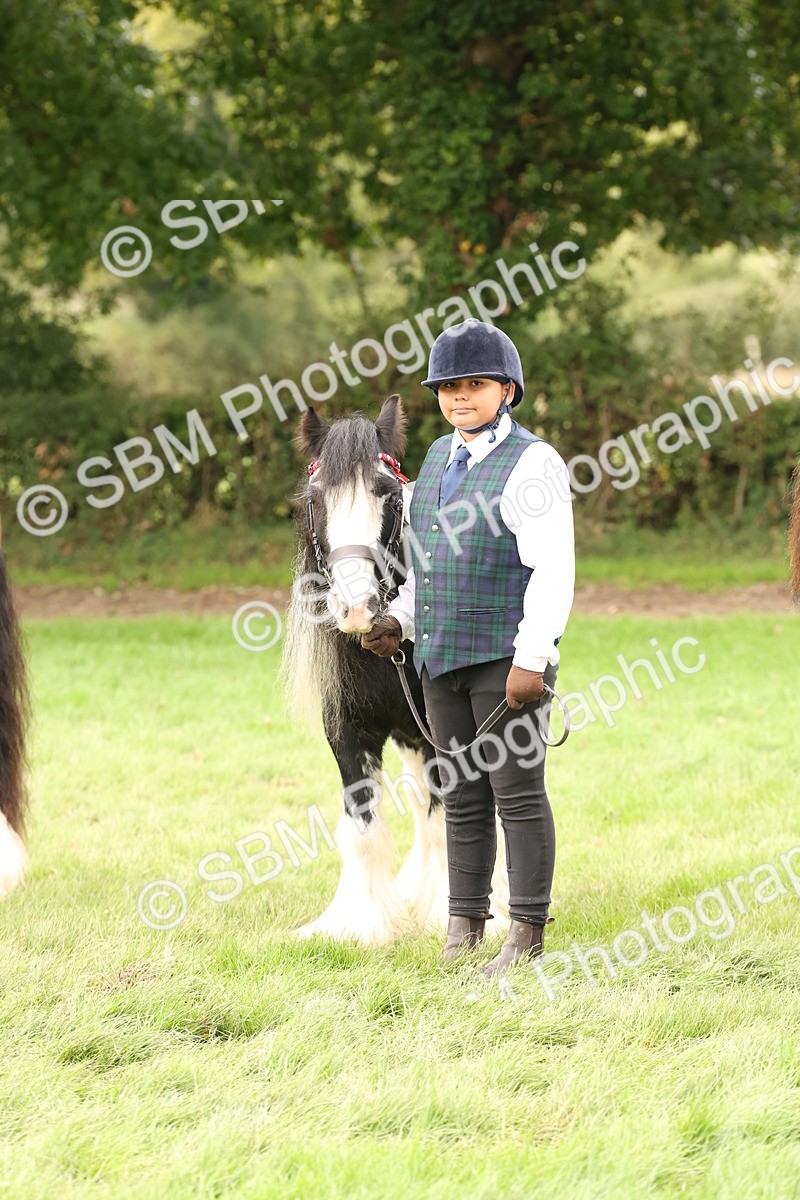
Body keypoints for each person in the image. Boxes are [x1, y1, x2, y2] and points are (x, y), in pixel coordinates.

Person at [361, 318, 575, 977]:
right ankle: (465, 924)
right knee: (461, 794)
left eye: (474, 385)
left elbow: (554, 568)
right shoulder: (435, 459)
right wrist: (399, 617)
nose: (460, 397)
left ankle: (527, 933)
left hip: (505, 661)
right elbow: (426, 566)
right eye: (448, 387)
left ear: (506, 390)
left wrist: (532, 659)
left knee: (516, 793)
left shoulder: (533, 462)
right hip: (441, 658)